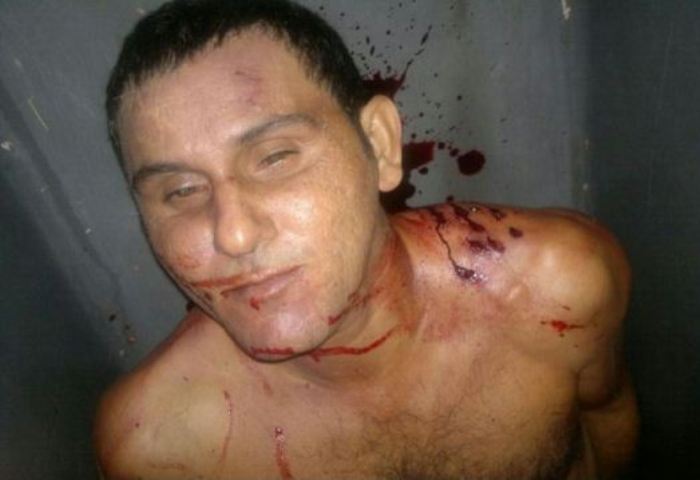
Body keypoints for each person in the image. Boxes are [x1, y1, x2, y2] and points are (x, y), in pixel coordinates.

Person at [93, 0, 638, 478]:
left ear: (379, 146)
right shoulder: (157, 446)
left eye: (276, 157)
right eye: (181, 191)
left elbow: (609, 417)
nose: (233, 233)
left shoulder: (557, 288)